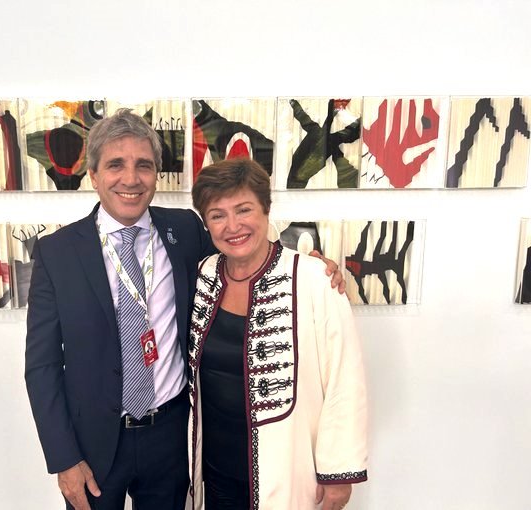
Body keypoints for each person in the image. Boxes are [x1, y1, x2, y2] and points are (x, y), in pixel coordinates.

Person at [25, 109, 345, 510]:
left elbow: (242, 252)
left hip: (171, 437)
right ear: (93, 174)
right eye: (116, 165)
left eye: (144, 165)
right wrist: (63, 457)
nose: (131, 178)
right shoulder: (57, 253)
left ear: (157, 174)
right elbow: (42, 366)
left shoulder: (186, 230)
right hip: (93, 443)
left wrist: (307, 265)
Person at [189, 158, 368, 510]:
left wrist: (338, 472)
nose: (233, 226)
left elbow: (344, 378)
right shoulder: (201, 274)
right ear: (206, 223)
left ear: (266, 209)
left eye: (244, 210)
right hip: (215, 467)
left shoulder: (314, 278)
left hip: (287, 465)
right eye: (217, 215)